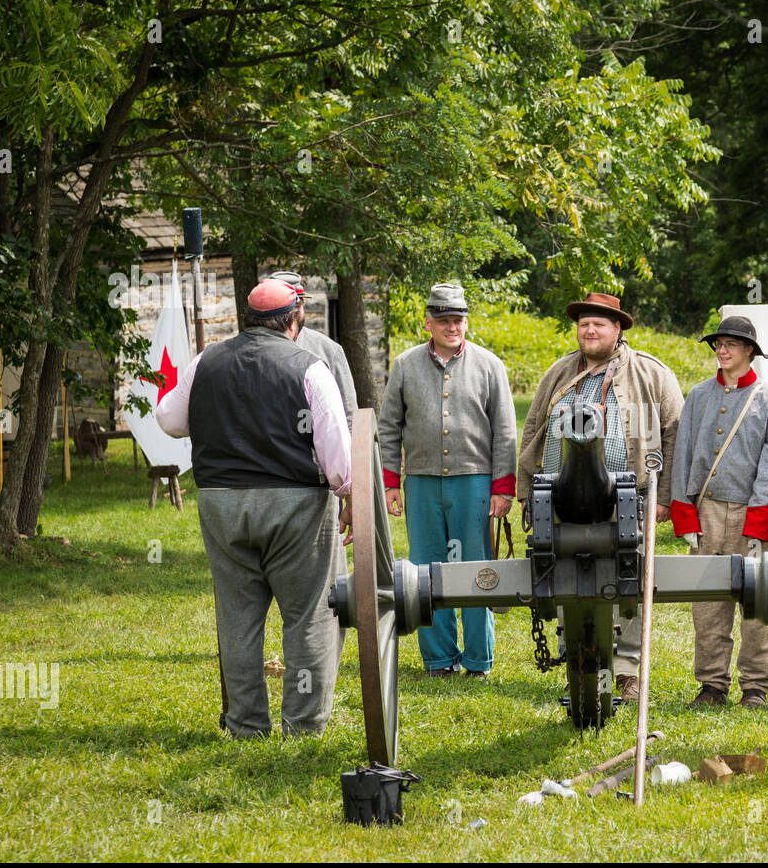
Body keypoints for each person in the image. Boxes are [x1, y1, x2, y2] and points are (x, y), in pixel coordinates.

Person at [156, 278, 353, 738]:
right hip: (296, 509)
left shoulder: (207, 362)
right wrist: (347, 497)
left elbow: (169, 420)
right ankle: (302, 726)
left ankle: (246, 725)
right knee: (308, 615)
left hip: (222, 506)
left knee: (238, 618)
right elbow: (338, 453)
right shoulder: (309, 365)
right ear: (296, 317)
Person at [517, 292, 684, 701]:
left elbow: (675, 432)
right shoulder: (558, 374)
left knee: (629, 579)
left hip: (629, 495)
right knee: (563, 573)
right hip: (559, 494)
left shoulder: (651, 374)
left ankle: (626, 670)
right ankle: (576, 653)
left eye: (599, 324)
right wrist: (526, 491)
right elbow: (534, 428)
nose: (589, 330)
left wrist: (667, 495)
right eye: (584, 324)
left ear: (618, 329)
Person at [377, 283, 517, 680]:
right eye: (443, 320)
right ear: (428, 323)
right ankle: (439, 659)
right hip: (420, 481)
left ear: (466, 322)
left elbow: (506, 431)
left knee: (476, 571)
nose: (451, 327)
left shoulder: (490, 365)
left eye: (457, 320)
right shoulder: (405, 365)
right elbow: (388, 428)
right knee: (424, 571)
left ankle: (477, 660)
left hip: (474, 481)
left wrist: (502, 488)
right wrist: (390, 482)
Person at [669, 316, 768, 708]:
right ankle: (712, 684)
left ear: (749, 351)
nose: (722, 350)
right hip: (705, 513)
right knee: (707, 606)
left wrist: (758, 525)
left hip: (748, 512)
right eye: (718, 343)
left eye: (731, 344)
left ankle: (755, 686)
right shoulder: (699, 396)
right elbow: (683, 454)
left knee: (757, 603)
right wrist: (685, 514)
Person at [270, 271, 357, 429]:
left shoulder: (329, 351)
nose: (293, 314)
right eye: (287, 308)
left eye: (298, 306)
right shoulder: (253, 353)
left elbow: (349, 415)